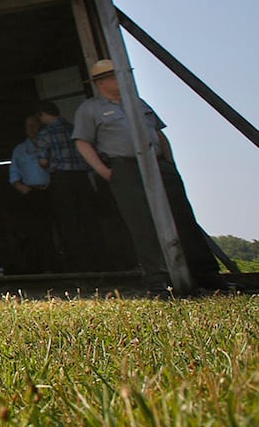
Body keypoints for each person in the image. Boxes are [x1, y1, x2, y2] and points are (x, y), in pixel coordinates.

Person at [72, 59, 223, 292]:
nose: (121, 79)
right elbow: (83, 142)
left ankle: (207, 275)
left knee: (182, 215)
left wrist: (169, 162)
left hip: (158, 164)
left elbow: (159, 133)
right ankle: (158, 279)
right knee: (141, 222)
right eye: (114, 76)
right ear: (101, 83)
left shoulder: (138, 103)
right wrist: (104, 171)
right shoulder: (90, 109)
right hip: (125, 168)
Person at [34, 98, 119, 270]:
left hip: (61, 180)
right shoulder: (75, 129)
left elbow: (43, 161)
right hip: (82, 178)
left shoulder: (45, 134)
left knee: (69, 222)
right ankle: (102, 262)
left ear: (42, 115)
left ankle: (80, 265)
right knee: (90, 219)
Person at [7, 114, 59, 272]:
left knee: (58, 229)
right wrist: (19, 186)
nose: (31, 129)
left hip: (53, 190)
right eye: (28, 126)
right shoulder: (20, 149)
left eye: (34, 125)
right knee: (38, 232)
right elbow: (14, 171)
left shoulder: (50, 144)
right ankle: (43, 268)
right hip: (32, 194)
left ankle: (63, 266)